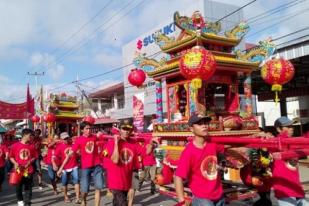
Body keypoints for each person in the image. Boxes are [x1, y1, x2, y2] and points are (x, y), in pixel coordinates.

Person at [175, 114, 225, 206]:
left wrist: (253, 138)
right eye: (199, 124)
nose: (204, 126)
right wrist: (181, 201)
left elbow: (230, 145)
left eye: (205, 123)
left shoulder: (212, 145)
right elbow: (178, 177)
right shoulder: (189, 152)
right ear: (191, 129)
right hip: (202, 198)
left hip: (219, 194)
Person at [272, 116, 308, 206]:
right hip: (284, 188)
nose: (291, 128)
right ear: (278, 129)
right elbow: (279, 142)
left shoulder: (294, 141)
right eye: (287, 127)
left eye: (292, 126)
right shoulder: (273, 142)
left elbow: (305, 144)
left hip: (296, 187)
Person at [105, 119, 141, 206]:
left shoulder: (134, 143)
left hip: (126, 180)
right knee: (122, 203)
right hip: (115, 181)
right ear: (120, 130)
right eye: (124, 129)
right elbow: (115, 160)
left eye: (128, 129)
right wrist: (116, 143)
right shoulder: (111, 143)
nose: (126, 131)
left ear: (131, 130)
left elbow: (145, 152)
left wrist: (151, 143)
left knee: (117, 203)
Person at [73, 122, 104, 206]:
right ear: (82, 130)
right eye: (86, 128)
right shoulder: (79, 139)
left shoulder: (95, 137)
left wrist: (101, 136)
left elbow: (102, 142)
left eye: (90, 128)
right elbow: (73, 151)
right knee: (85, 189)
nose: (89, 130)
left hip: (97, 165)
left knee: (98, 187)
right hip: (85, 167)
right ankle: (83, 200)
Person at [9, 128, 36, 206]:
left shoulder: (32, 146)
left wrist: (30, 161)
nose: (31, 137)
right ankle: (20, 200)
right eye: (30, 135)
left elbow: (34, 156)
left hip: (28, 170)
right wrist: (15, 163)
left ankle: (27, 203)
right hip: (18, 170)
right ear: (25, 135)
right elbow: (11, 157)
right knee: (18, 187)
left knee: (28, 188)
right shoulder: (15, 145)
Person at [56, 132, 80, 203]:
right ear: (61, 139)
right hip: (64, 168)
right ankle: (66, 196)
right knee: (65, 183)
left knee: (76, 181)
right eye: (64, 139)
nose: (66, 140)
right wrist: (57, 166)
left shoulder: (73, 145)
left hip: (74, 166)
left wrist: (78, 154)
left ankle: (77, 198)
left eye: (67, 138)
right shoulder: (59, 146)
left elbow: (78, 154)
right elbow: (55, 157)